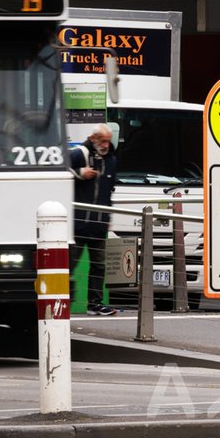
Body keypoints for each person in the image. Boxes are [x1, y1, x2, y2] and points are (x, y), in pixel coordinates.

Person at [69, 125, 119, 315]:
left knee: (98, 265)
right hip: (78, 222)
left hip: (99, 224)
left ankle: (95, 304)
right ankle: (59, 300)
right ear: (93, 138)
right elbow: (58, 171)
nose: (105, 145)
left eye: (108, 141)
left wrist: (108, 217)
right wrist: (79, 173)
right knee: (69, 264)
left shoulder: (111, 160)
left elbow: (109, 191)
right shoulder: (79, 154)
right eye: (102, 140)